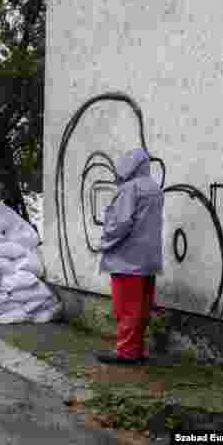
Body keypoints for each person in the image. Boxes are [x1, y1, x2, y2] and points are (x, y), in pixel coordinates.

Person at [96, 148, 163, 365]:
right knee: (142, 308)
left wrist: (104, 242)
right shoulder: (154, 188)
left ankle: (126, 352)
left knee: (126, 308)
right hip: (148, 259)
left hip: (127, 259)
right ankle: (137, 350)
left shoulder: (130, 189)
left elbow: (120, 223)